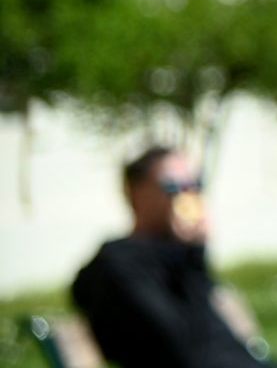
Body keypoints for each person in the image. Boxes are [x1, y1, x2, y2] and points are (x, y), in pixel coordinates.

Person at [70, 147, 261, 368]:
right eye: (173, 187)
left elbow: (210, 333)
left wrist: (195, 253)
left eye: (193, 186)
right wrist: (193, 254)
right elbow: (181, 343)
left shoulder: (179, 258)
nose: (186, 196)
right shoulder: (119, 264)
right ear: (135, 193)